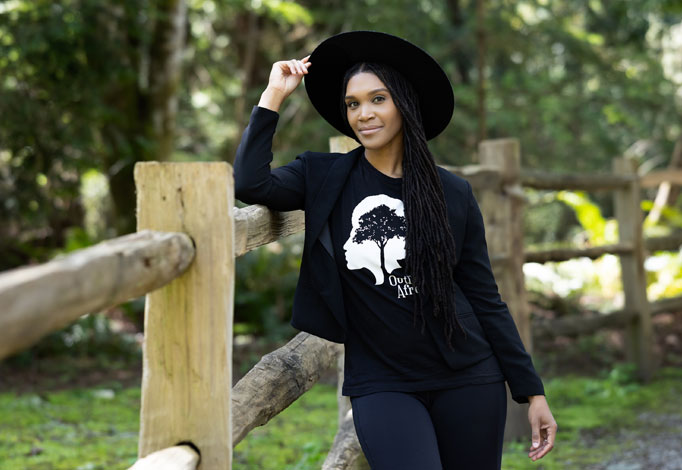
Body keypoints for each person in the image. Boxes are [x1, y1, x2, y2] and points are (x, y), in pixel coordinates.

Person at [234, 30, 557, 470]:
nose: (363, 114)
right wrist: (274, 93)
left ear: (403, 104)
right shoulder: (324, 175)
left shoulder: (453, 193)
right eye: (353, 104)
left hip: (468, 377)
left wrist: (531, 390)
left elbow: (483, 296)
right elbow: (251, 183)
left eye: (377, 99)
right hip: (382, 381)